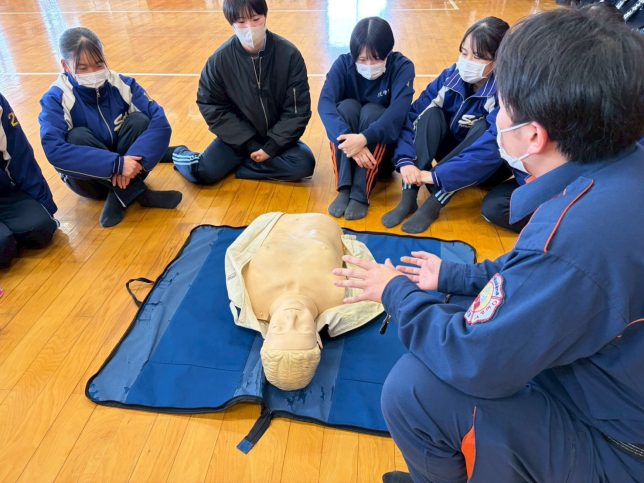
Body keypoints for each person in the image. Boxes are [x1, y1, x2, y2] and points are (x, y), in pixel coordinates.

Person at [334, 8, 644, 482]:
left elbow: (473, 357)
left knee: (413, 388)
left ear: (533, 135)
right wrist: (455, 276)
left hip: (618, 450)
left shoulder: (572, 237)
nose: (496, 114)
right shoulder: (617, 168)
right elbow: (532, 275)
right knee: (456, 306)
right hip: (615, 388)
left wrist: (395, 291)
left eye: (503, 106)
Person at [382, 17, 530, 234]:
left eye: (478, 57)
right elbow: (413, 116)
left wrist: (438, 176)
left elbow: (492, 148)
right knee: (430, 114)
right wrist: (405, 161)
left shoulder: (506, 92)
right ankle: (409, 196)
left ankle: (435, 203)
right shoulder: (450, 77)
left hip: (488, 166)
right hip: (451, 152)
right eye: (464, 52)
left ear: (500, 60)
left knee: (484, 129)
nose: (467, 61)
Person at [39, 27, 183, 228]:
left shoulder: (123, 84)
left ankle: (118, 196)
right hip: (90, 183)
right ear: (65, 65)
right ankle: (140, 194)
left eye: (99, 64)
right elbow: (54, 150)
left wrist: (127, 164)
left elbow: (160, 122)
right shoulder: (56, 98)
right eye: (83, 68)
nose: (93, 73)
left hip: (130, 169)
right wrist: (116, 165)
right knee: (77, 137)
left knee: (140, 121)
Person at [225, 212, 383, 390]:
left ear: (266, 336)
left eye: (278, 328)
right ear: (318, 339)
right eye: (303, 328)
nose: (291, 317)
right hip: (322, 220)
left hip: (273, 217)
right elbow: (373, 283)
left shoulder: (248, 299)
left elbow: (237, 252)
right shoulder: (341, 299)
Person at [172, 0, 315, 185]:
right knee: (203, 173)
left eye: (255, 19)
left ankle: (237, 166)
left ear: (265, 16)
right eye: (241, 22)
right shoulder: (219, 61)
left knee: (303, 164)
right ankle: (179, 153)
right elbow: (211, 105)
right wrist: (249, 144)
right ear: (231, 23)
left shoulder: (289, 55)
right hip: (238, 138)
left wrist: (271, 147)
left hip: (275, 137)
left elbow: (297, 110)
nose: (250, 27)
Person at [318, 17, 415, 220]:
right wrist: (352, 141)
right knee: (346, 108)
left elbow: (398, 112)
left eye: (377, 59)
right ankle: (344, 187)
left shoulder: (402, 67)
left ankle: (360, 192)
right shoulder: (343, 64)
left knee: (373, 112)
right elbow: (324, 104)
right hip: (349, 150)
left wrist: (363, 139)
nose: (369, 65)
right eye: (362, 60)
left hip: (382, 156)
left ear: (389, 52)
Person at [0, 93, 57, 267]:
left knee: (42, 228)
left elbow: (19, 154)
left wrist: (45, 204)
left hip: (3, 194)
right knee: (2, 247)